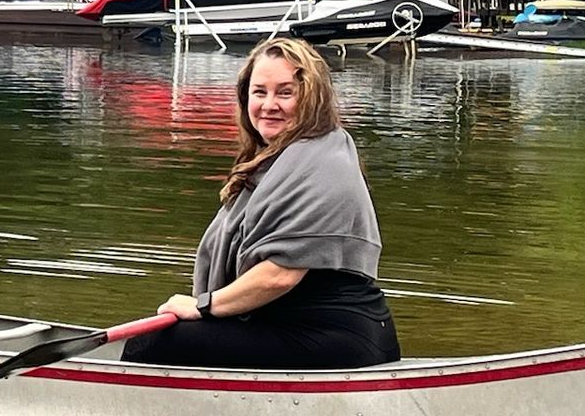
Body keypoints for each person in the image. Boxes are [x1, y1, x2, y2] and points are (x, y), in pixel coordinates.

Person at [120, 37, 400, 369]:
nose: (269, 104)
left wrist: (202, 306)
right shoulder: (275, 162)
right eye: (259, 92)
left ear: (312, 99)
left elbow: (280, 275)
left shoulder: (326, 163)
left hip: (334, 337)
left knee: (155, 343)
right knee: (166, 337)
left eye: (285, 92)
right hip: (292, 327)